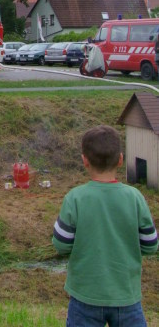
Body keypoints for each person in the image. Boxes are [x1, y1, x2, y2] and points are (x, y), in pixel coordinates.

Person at [52, 125, 157, 327]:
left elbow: (61, 244)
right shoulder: (135, 197)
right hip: (126, 295)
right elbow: (151, 245)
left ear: (85, 161)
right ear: (120, 159)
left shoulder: (74, 198)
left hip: (85, 297)